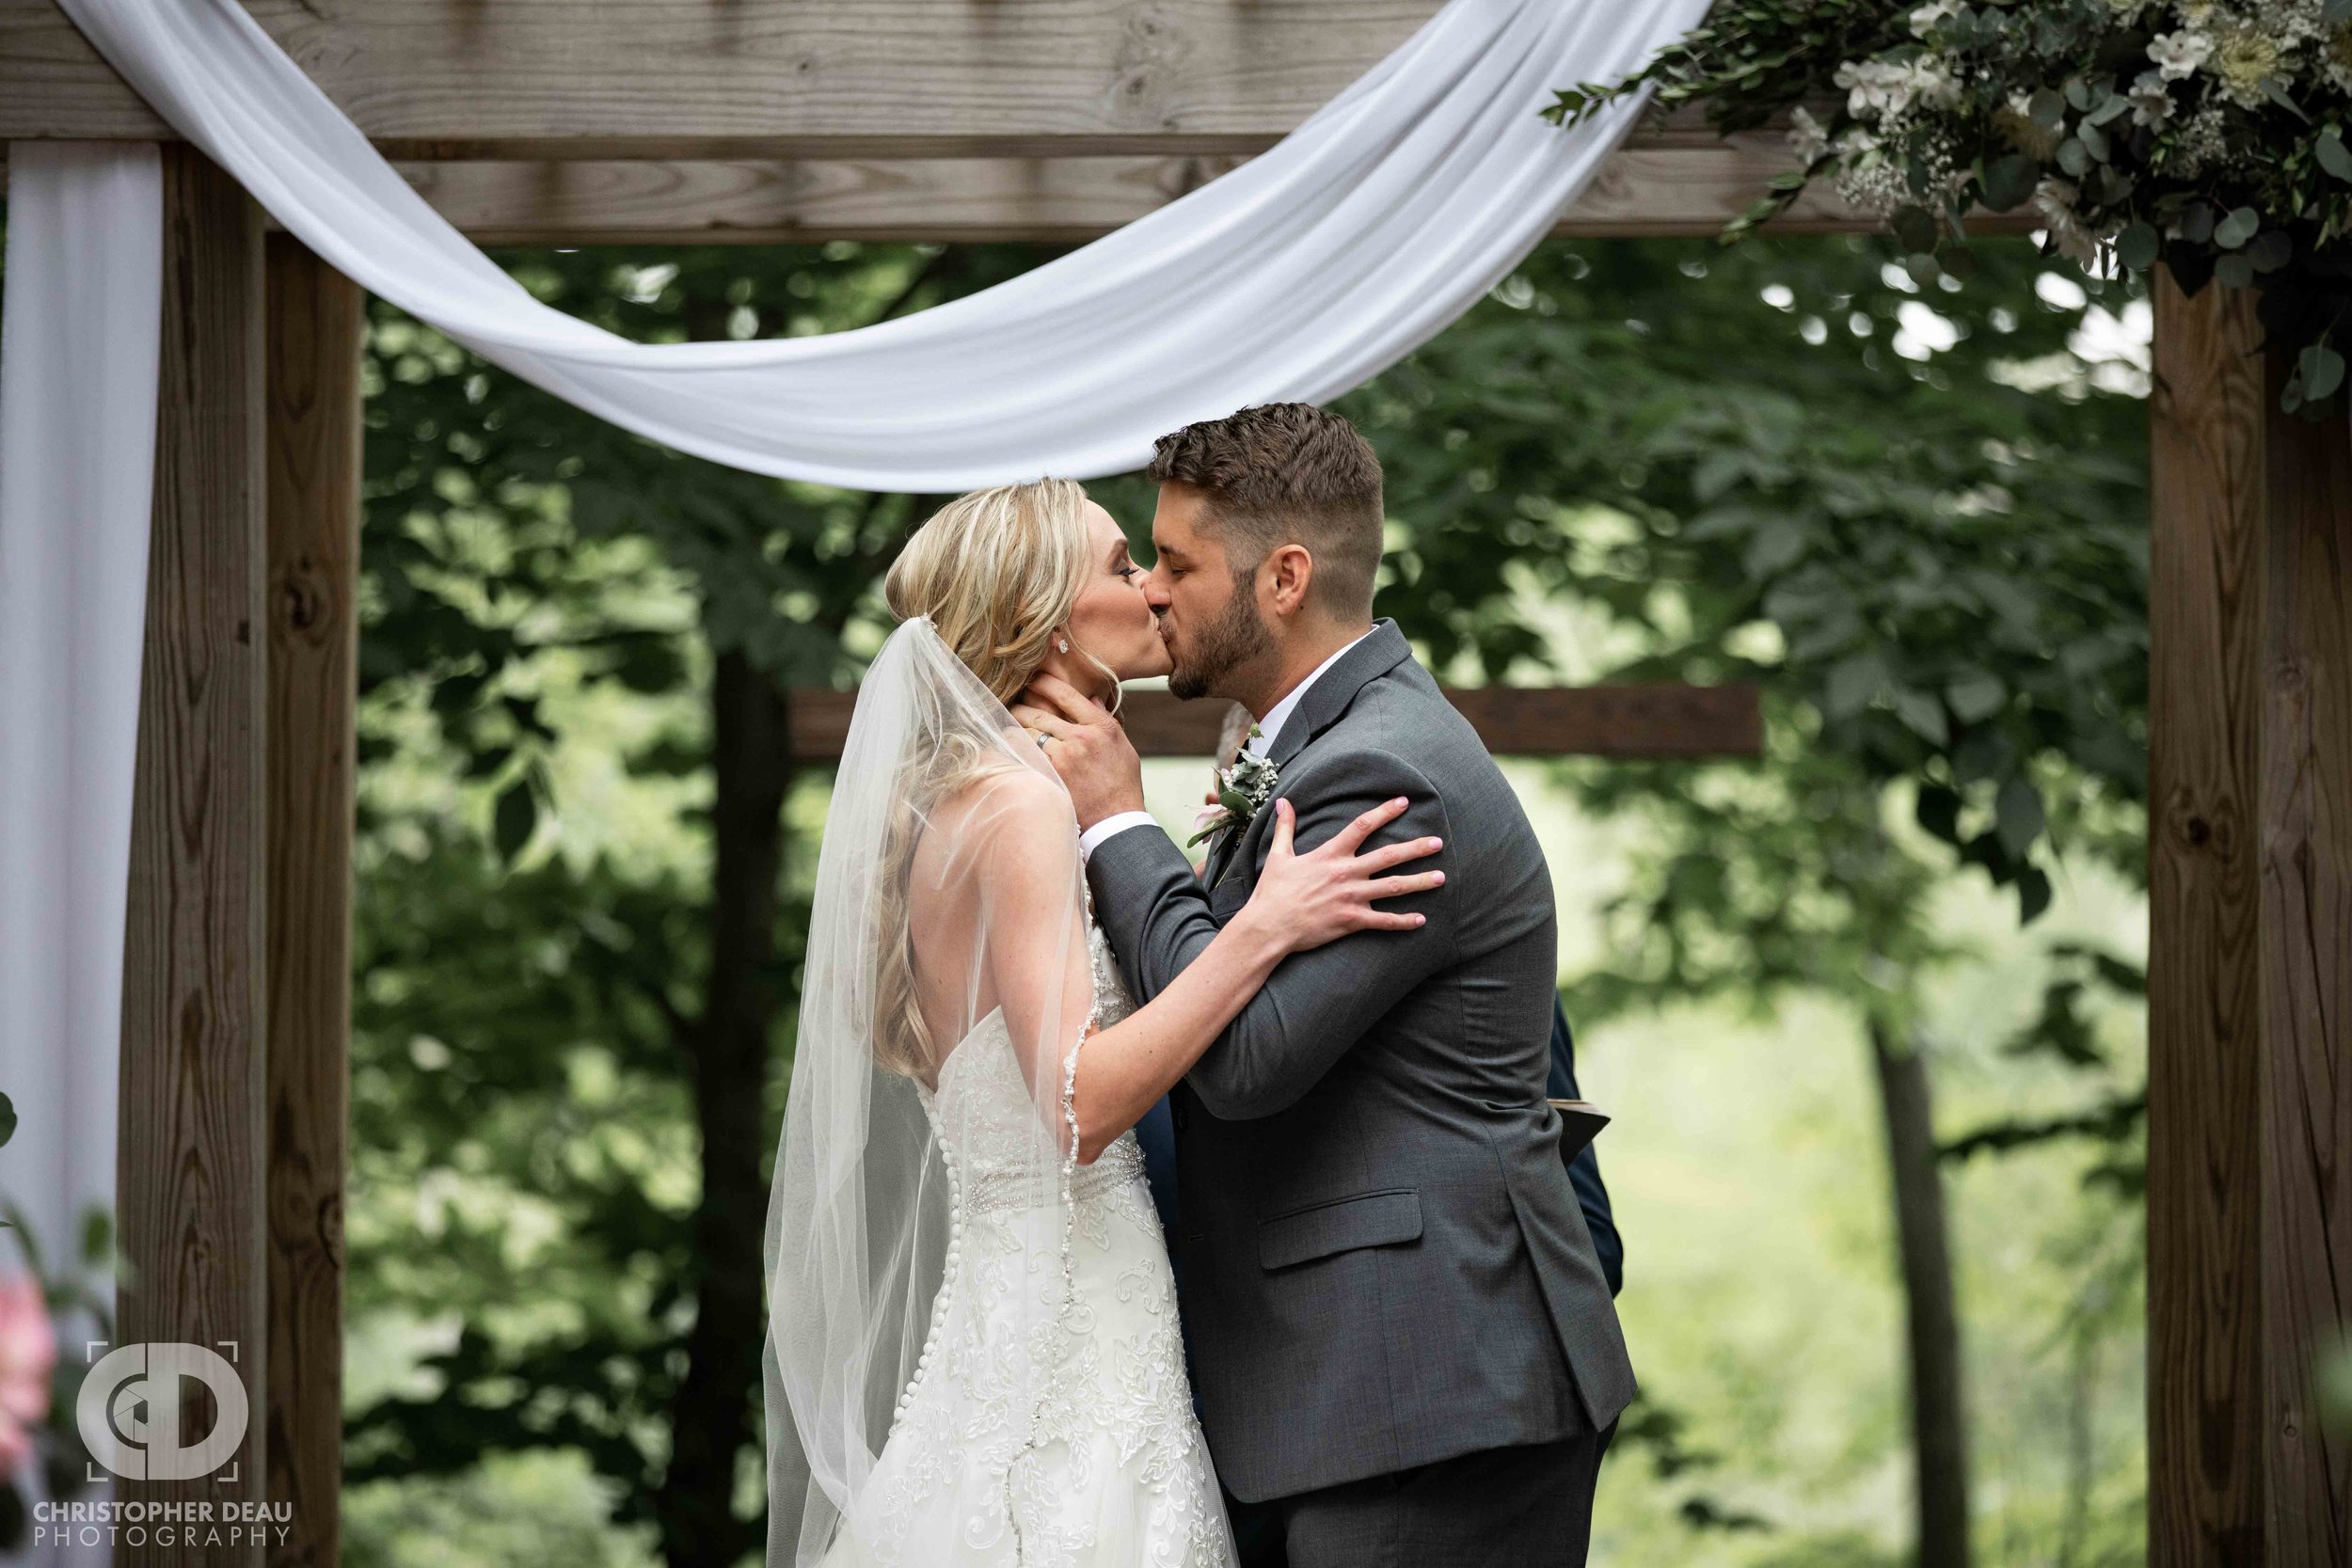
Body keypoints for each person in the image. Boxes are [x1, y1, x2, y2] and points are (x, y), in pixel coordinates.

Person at [760, 478, 1442, 1568]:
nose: (1153, 588)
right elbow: (1078, 1103)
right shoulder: (1018, 803)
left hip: (1017, 1293)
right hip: (1075, 1305)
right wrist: (1260, 929)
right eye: (1124, 565)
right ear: (1045, 616)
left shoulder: (955, 794)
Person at [1018, 403, 1635, 1567]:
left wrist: (1116, 824)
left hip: (1429, 1388)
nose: (1153, 589)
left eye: (1180, 563)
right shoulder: (1310, 745)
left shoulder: (1382, 768)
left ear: (1285, 575)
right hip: (1363, 1385)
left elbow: (1247, 1061)